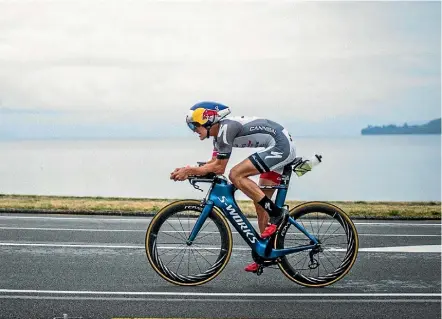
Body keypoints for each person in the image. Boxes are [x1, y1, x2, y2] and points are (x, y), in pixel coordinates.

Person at [170, 101, 296, 273]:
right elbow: (212, 163)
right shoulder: (218, 137)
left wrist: (190, 170)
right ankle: (266, 252)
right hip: (275, 146)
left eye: (195, 126)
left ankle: (277, 214)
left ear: (208, 119)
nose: (194, 130)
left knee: (235, 174)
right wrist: (188, 171)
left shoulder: (225, 129)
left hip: (280, 146)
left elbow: (219, 168)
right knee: (260, 202)